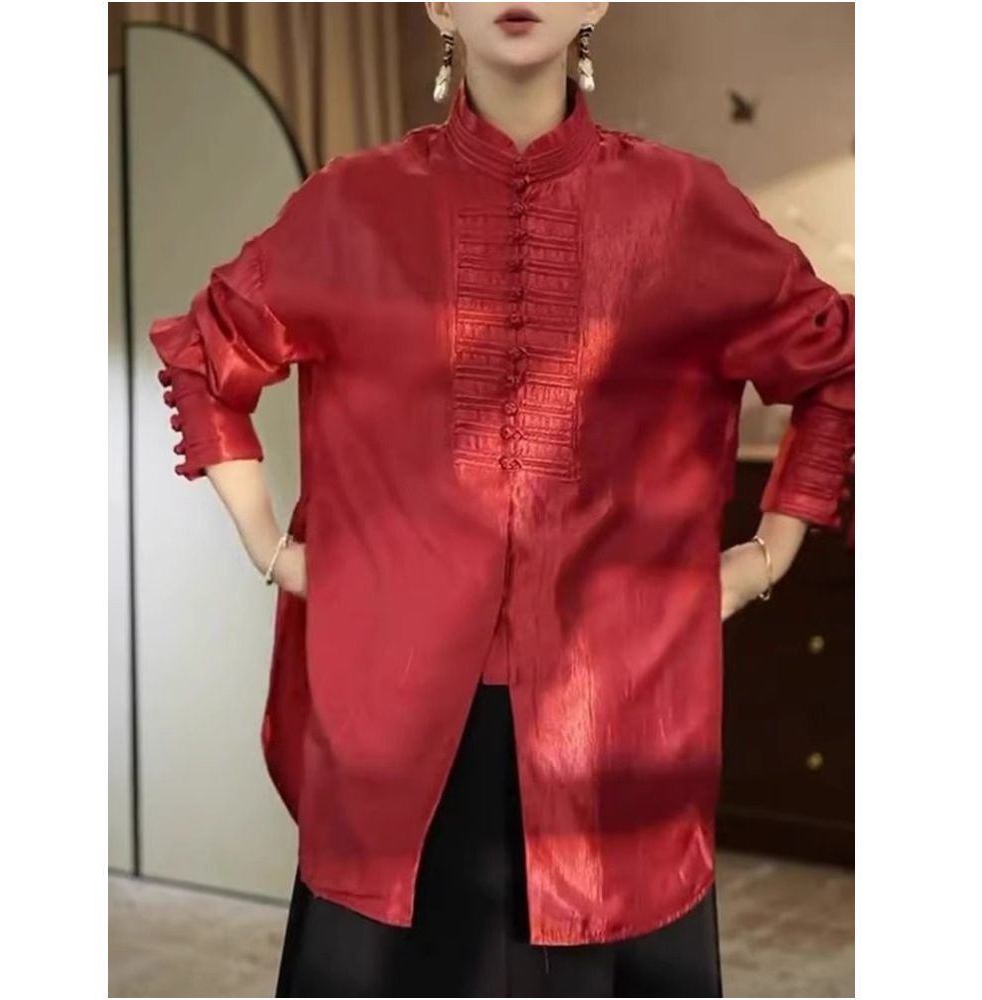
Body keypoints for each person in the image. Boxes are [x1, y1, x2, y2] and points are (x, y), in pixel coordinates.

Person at [148, 2, 854, 996]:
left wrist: (767, 556)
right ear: (439, 3)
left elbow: (834, 362)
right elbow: (203, 353)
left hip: (614, 722)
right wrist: (269, 544)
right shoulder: (351, 206)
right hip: (393, 719)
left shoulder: (681, 208)